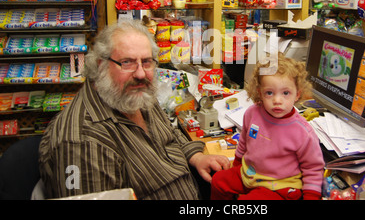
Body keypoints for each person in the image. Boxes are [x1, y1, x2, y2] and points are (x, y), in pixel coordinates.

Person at [38, 20, 230, 200]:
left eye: (147, 62)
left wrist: (196, 157)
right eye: (127, 62)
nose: (140, 73)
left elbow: (169, 135)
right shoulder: (84, 141)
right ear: (101, 64)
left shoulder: (134, 95)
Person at [211, 53, 325, 200]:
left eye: (286, 93)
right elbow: (244, 143)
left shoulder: (303, 132)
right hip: (251, 173)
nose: (277, 100)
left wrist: (311, 197)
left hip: (279, 186)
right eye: (269, 93)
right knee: (218, 181)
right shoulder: (252, 113)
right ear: (260, 93)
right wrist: (237, 164)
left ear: (297, 94)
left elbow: (313, 169)